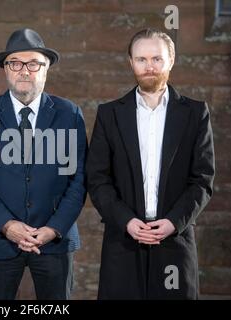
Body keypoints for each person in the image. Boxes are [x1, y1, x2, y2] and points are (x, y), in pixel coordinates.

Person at [86, 28, 215, 299]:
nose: (149, 67)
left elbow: (202, 179)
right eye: (141, 59)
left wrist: (173, 222)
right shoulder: (110, 114)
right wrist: (127, 221)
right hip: (123, 241)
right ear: (131, 62)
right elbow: (97, 179)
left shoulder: (195, 113)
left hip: (175, 241)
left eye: (157, 59)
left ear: (171, 60)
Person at [0, 28, 87, 300]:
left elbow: (79, 179)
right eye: (15, 63)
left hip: (54, 242)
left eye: (33, 63)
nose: (24, 71)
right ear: (5, 69)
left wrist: (53, 228)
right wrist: (7, 225)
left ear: (46, 68)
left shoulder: (69, 114)